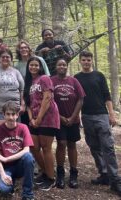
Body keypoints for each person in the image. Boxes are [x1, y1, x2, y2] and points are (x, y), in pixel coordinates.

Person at [74, 51, 121, 196]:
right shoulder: (76, 78)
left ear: (91, 61)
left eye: (88, 60)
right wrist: (77, 116)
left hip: (101, 115)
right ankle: (104, 174)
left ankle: (115, 180)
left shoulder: (99, 76)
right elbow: (76, 99)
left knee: (108, 147)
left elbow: (107, 95)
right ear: (80, 61)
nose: (86, 62)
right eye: (84, 60)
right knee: (94, 147)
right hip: (86, 117)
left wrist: (111, 114)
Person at [23, 56, 60, 191]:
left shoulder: (44, 78)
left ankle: (50, 179)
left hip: (48, 117)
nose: (33, 67)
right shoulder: (29, 82)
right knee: (34, 147)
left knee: (46, 147)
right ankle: (45, 172)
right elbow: (28, 104)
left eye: (36, 65)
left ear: (40, 67)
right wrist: (32, 119)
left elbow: (47, 98)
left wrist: (39, 119)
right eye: (31, 65)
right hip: (34, 118)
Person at [51, 58, 85, 189]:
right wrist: (60, 117)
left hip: (73, 120)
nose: (62, 66)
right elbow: (49, 101)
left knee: (72, 144)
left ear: (67, 66)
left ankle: (73, 173)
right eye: (59, 64)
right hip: (58, 119)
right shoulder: (52, 81)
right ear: (56, 66)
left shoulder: (74, 81)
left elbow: (81, 99)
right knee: (61, 143)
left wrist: (73, 116)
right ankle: (60, 173)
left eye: (64, 65)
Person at [0, 101, 35, 200]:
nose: (11, 117)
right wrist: (3, 174)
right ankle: (10, 183)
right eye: (8, 114)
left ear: (17, 115)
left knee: (29, 157)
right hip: (6, 168)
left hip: (19, 164)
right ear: (3, 115)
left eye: (13, 114)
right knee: (4, 190)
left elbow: (26, 150)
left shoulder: (23, 128)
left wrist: (7, 159)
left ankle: (27, 194)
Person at [0, 48, 25, 128]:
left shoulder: (16, 72)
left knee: (14, 134)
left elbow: (22, 89)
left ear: (11, 59)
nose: (5, 58)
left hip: (15, 109)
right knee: (1, 132)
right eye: (3, 57)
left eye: (7, 57)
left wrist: (22, 104)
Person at [14, 40, 50, 125]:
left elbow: (47, 76)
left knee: (42, 117)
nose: (24, 49)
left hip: (40, 92)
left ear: (29, 49)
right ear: (18, 50)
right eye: (21, 48)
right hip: (26, 95)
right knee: (27, 121)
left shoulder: (39, 59)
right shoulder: (17, 65)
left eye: (25, 47)